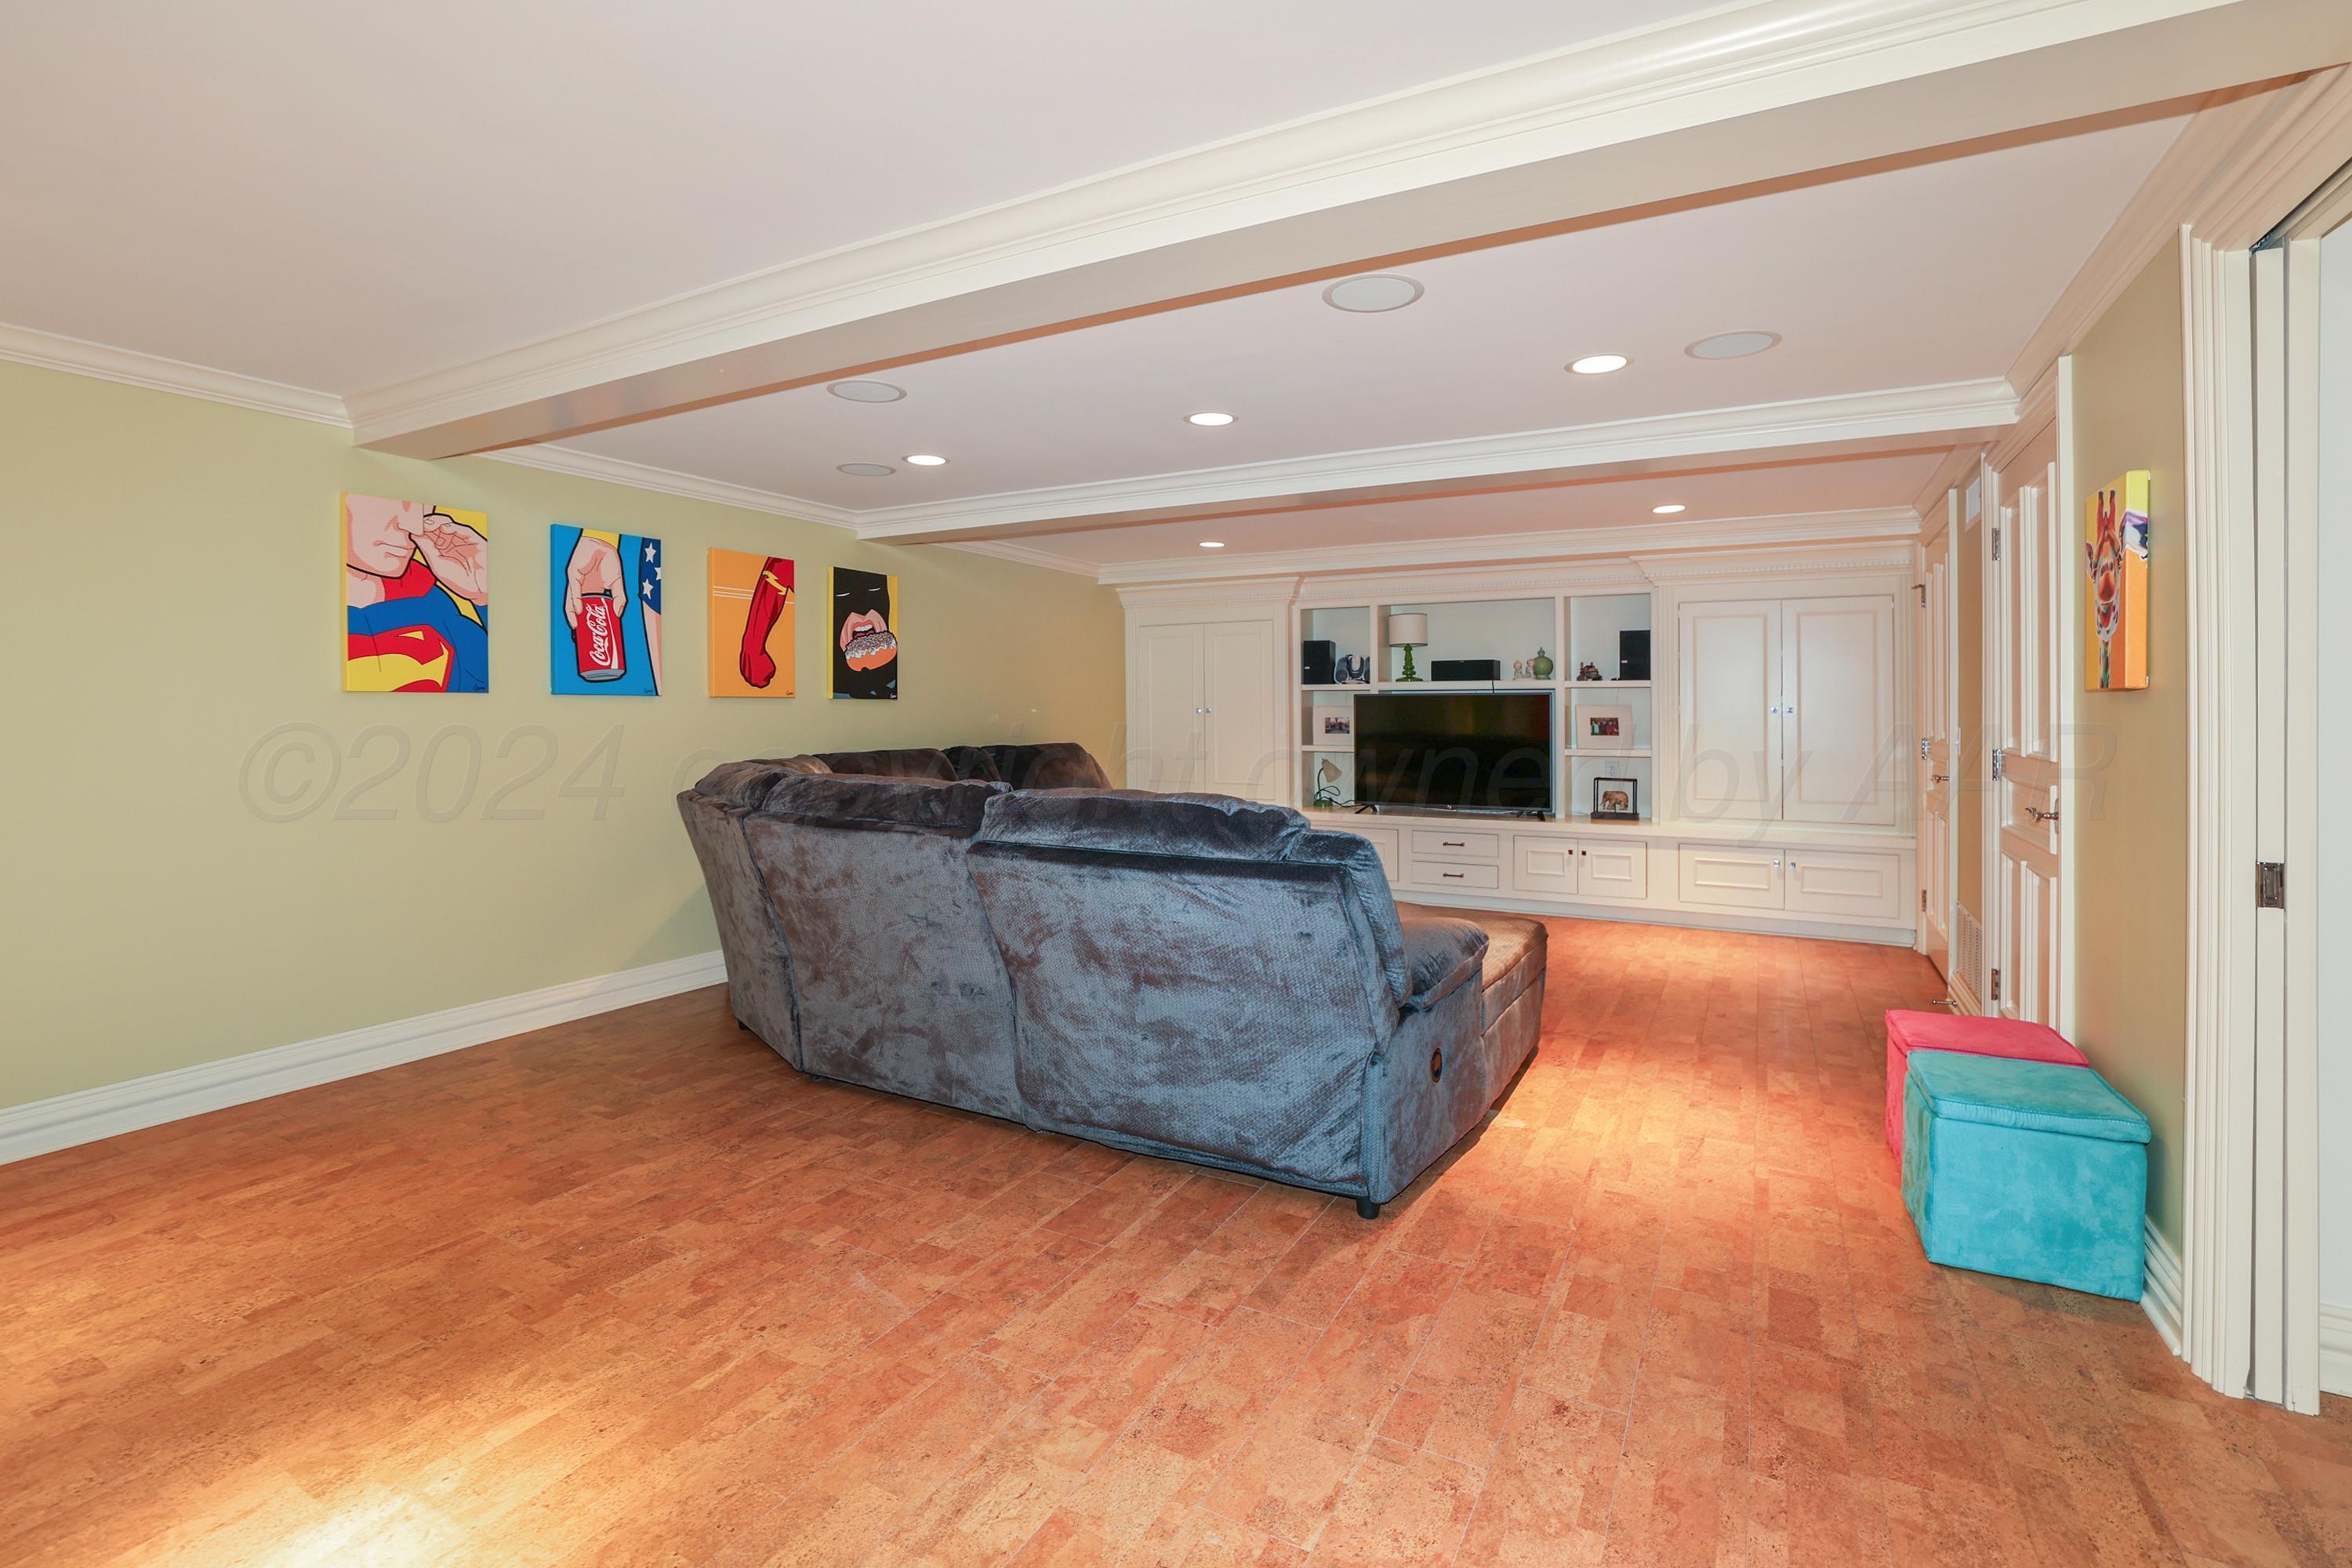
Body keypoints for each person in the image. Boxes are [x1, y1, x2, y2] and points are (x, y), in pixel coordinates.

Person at [343, 495, 488, 692]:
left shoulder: (434, 608)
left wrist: (483, 596)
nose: (414, 526)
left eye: (422, 507)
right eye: (386, 502)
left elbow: (513, 689)